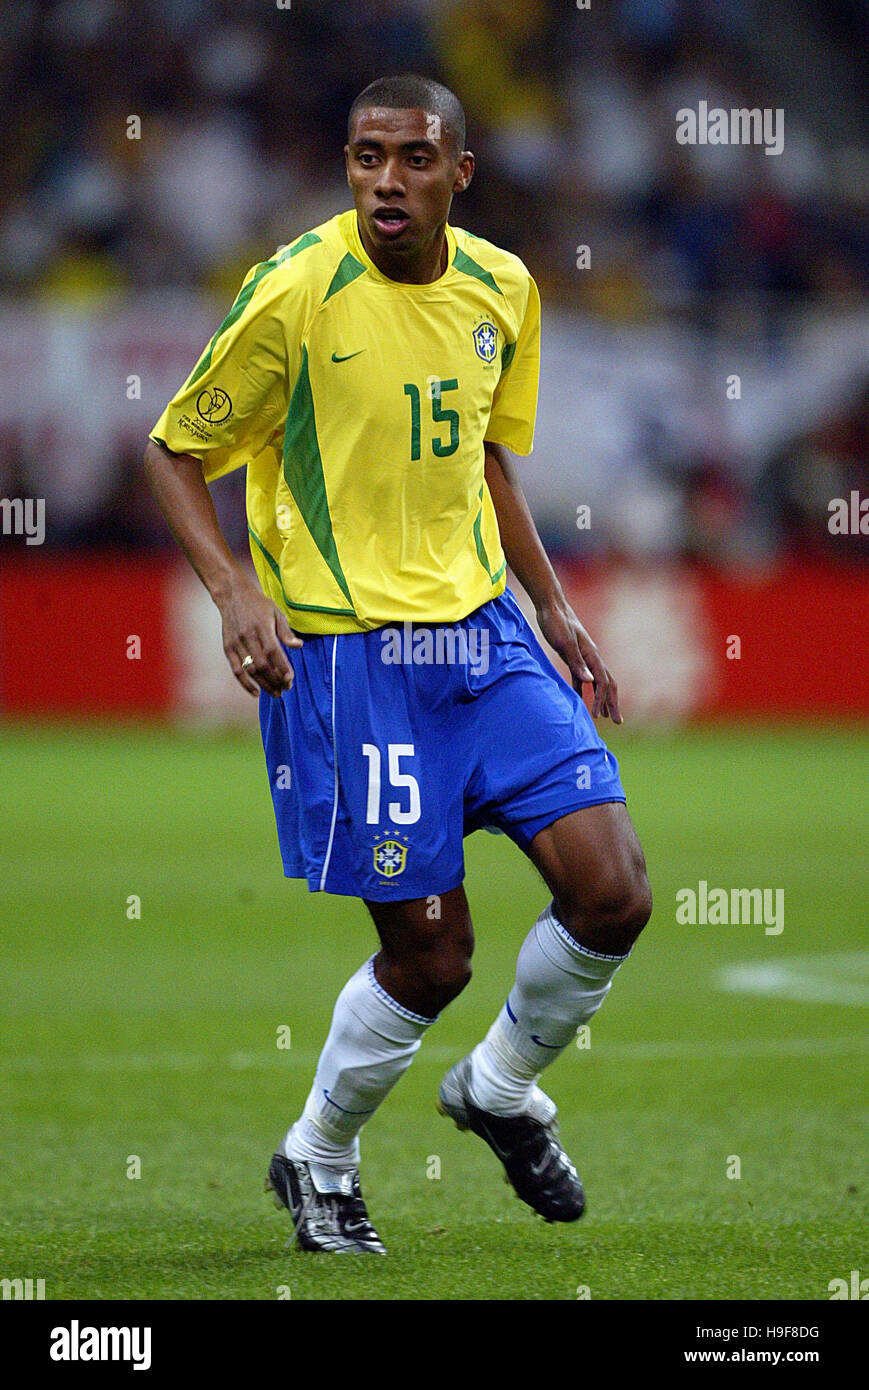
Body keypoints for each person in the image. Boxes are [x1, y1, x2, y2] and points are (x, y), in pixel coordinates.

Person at [144, 73, 652, 1255]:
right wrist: (233, 592)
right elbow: (174, 448)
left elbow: (485, 458)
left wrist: (555, 605)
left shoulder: (502, 287)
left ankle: (497, 1088)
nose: (386, 179)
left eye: (413, 158)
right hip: (351, 660)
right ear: (346, 166)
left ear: (457, 173)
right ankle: (318, 1154)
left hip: (483, 638)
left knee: (612, 890)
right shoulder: (295, 291)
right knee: (432, 952)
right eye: (366, 156)